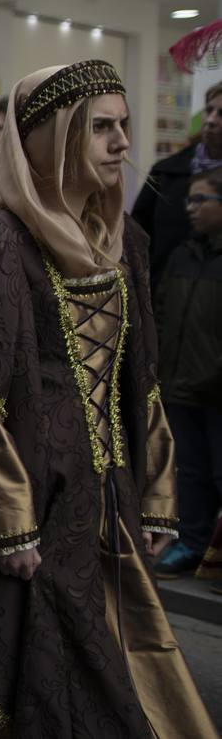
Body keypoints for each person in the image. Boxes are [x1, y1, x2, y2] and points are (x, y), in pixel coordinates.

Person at [0, 60, 218, 739]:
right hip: (22, 502)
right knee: (9, 677)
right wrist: (7, 524)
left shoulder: (124, 244)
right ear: (52, 140)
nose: (120, 144)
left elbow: (138, 380)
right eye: (100, 129)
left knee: (112, 674)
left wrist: (157, 496)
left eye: (123, 127)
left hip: (101, 499)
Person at [151, 166, 222, 579]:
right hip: (180, 383)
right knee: (190, 471)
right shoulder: (183, 253)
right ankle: (192, 542)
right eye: (189, 200)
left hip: (215, 388)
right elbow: (161, 309)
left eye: (201, 200)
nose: (191, 208)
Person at [133, 81, 222, 292]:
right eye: (209, 110)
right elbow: (136, 235)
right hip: (164, 299)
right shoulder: (166, 172)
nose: (210, 120)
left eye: (221, 114)